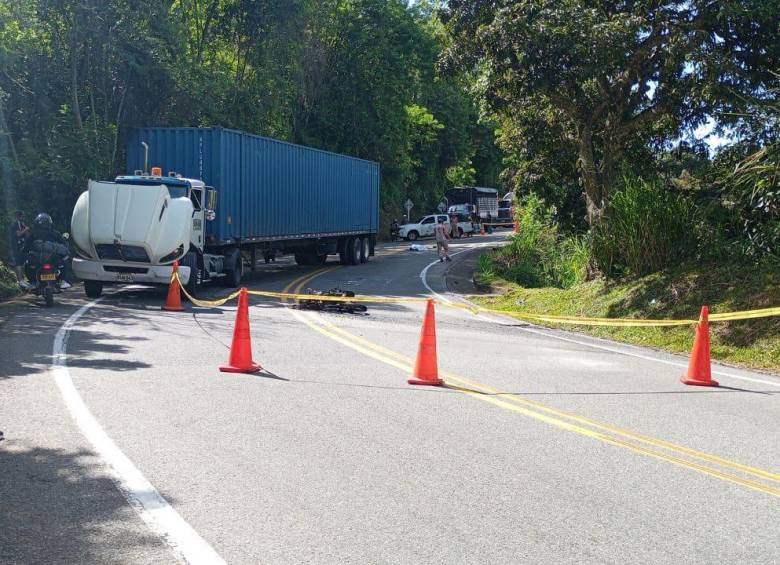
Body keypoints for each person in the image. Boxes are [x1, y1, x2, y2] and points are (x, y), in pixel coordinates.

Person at [24, 213, 72, 289]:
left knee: (28, 263)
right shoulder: (55, 233)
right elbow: (63, 243)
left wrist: (24, 252)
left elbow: (26, 246)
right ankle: (62, 281)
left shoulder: (33, 234)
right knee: (64, 261)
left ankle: (33, 282)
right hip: (52, 259)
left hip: (38, 260)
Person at [8, 211, 30, 289]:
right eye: (22, 216)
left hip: (22, 247)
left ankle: (23, 280)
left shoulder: (21, 224)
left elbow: (27, 235)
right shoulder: (14, 224)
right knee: (18, 263)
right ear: (18, 216)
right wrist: (26, 229)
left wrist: (25, 228)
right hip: (15, 247)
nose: (23, 218)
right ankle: (20, 280)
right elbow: (18, 234)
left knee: (22, 263)